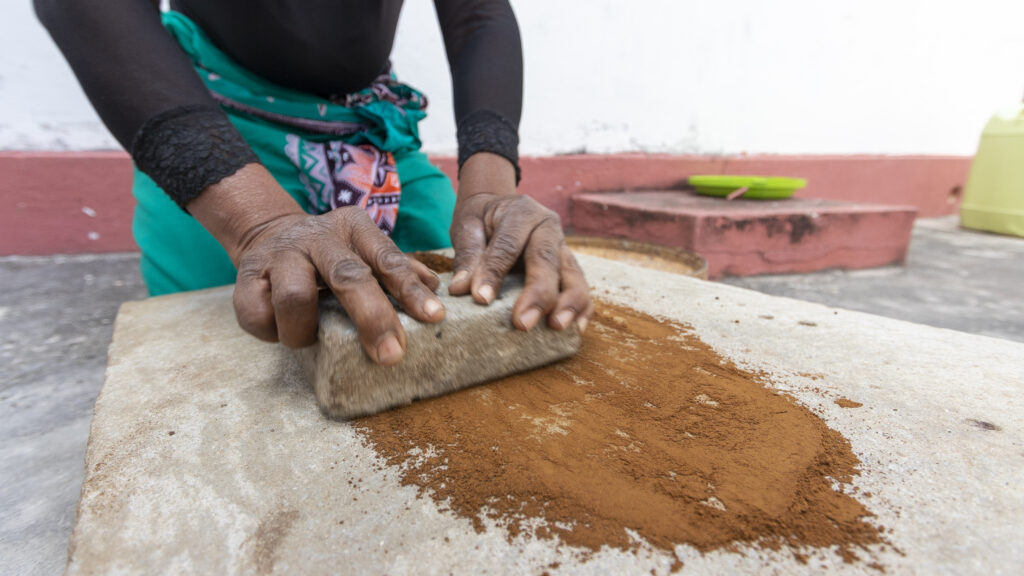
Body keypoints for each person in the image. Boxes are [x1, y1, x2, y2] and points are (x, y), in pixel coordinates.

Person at [36, 0, 593, 365]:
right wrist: (257, 222)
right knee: (230, 358)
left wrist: (490, 184)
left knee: (471, 288)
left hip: (369, 129)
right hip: (213, 131)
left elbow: (478, 15)